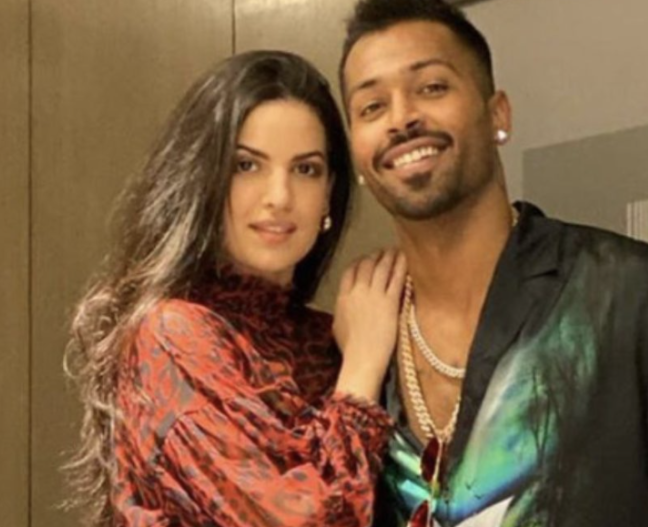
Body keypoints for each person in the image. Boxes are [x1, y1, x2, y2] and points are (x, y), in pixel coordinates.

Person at [338, 1, 648, 526]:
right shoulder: (355, 350)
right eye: (371, 107)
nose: (402, 118)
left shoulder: (629, 292)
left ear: (498, 115)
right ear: (357, 155)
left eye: (432, 87)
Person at [62, 50, 406, 527]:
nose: (279, 197)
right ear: (204, 177)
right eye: (247, 165)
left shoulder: (332, 337)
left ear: (330, 192)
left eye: (305, 169)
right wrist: (362, 373)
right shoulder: (171, 336)